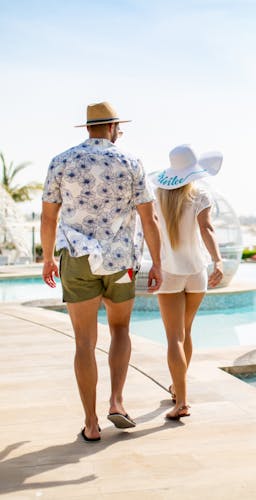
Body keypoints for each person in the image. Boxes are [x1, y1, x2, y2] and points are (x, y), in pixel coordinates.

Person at [41, 101, 162, 442]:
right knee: (120, 328)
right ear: (112, 128)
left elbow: (49, 217)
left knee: (84, 341)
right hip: (120, 259)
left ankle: (91, 423)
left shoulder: (61, 161)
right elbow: (149, 219)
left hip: (77, 258)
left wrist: (48, 258)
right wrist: (158, 263)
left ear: (89, 128)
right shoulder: (131, 161)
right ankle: (117, 402)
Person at [150, 144, 224, 420]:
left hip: (169, 271)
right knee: (186, 332)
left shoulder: (157, 196)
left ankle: (181, 400)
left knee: (174, 337)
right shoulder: (200, 195)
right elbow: (207, 229)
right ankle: (176, 388)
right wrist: (218, 260)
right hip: (196, 271)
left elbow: (149, 233)